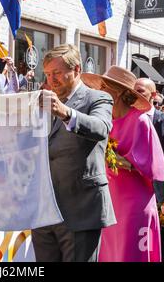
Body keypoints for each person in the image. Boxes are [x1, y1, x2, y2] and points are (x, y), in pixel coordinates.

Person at [32, 44, 116, 262]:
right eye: (48, 74)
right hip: (43, 210)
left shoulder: (98, 98)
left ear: (77, 69)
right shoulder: (40, 102)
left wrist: (65, 112)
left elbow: (101, 128)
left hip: (81, 209)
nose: (51, 80)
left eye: (57, 73)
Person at [82, 66, 164, 262]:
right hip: (108, 201)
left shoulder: (140, 121)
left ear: (119, 92)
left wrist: (115, 158)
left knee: (130, 255)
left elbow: (154, 168)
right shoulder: (103, 119)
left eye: (105, 86)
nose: (100, 90)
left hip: (133, 205)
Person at [134, 78, 164, 262]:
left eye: (141, 91)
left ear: (153, 96)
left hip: (162, 192)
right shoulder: (128, 118)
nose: (135, 94)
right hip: (135, 191)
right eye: (133, 90)